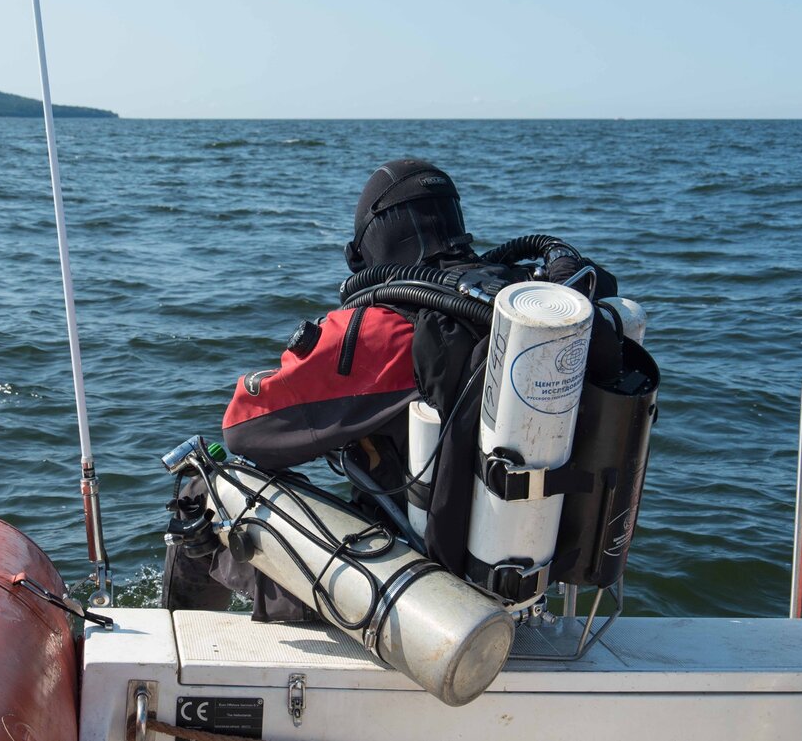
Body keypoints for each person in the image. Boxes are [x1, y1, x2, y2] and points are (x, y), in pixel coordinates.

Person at [162, 159, 620, 614]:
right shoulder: (543, 312)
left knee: (200, 487)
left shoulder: (384, 329)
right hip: (525, 574)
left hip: (403, 591)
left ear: (369, 247)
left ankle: (185, 637)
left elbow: (246, 432)